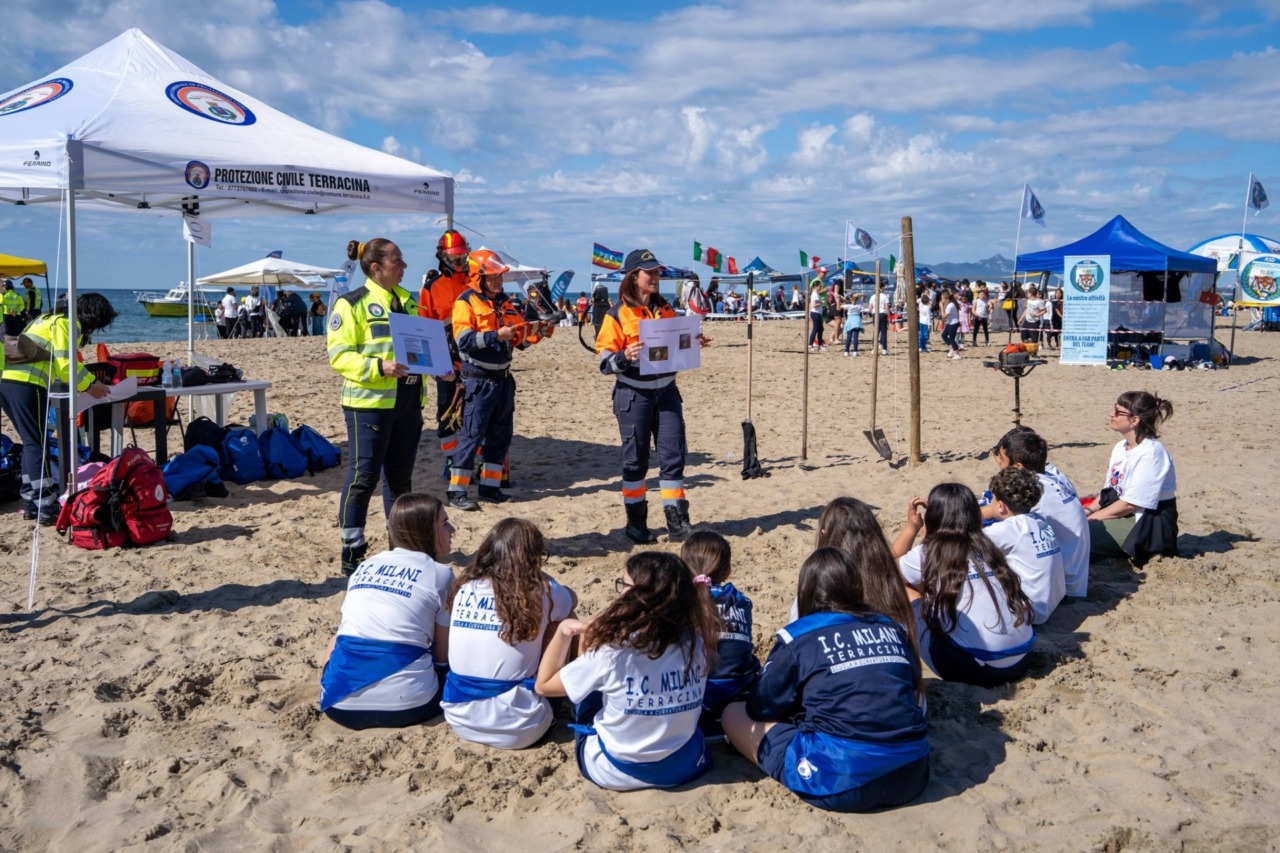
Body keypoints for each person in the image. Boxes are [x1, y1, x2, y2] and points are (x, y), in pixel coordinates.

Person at [721, 547, 930, 813]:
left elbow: (761, 707)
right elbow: (913, 691)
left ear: (806, 589)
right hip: (912, 772)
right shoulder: (891, 627)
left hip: (842, 779)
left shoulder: (799, 636)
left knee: (733, 714)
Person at [535, 551, 718, 792]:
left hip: (615, 771)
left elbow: (544, 685)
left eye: (624, 584)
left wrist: (562, 632)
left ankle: (583, 681)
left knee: (589, 688)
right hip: (685, 765)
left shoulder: (613, 652)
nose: (620, 591)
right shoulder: (696, 641)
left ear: (639, 595)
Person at [595, 249, 710, 543]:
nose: (656, 277)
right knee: (636, 462)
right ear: (634, 277)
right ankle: (636, 523)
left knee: (673, 457)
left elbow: (676, 343)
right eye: (651, 273)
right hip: (633, 396)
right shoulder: (617, 314)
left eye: (658, 272)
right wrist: (624, 356)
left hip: (668, 393)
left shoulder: (666, 309)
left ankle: (677, 522)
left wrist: (693, 342)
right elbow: (604, 363)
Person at [328, 238, 425, 574]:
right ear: (375, 267)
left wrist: (438, 361)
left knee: (400, 480)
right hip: (369, 403)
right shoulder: (351, 303)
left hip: (409, 401)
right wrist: (378, 367)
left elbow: (421, 346)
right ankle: (352, 553)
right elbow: (339, 356)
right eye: (397, 260)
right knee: (362, 477)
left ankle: (400, 548)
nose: (404, 266)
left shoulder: (409, 301)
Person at [319, 494, 455, 730]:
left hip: (339, 706)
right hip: (410, 705)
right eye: (444, 524)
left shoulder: (365, 565)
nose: (452, 529)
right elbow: (442, 654)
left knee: (340, 635)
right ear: (424, 532)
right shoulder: (440, 574)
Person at [442, 518, 578, 749]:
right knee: (566, 621)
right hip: (521, 726)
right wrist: (546, 580)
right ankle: (572, 698)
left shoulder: (465, 587)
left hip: (459, 718)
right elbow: (572, 598)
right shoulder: (541, 591)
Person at [891, 483, 1036, 687]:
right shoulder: (989, 545)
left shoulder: (930, 552)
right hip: (1023, 658)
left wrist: (913, 528)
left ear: (934, 517)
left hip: (975, 669)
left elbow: (884, 572)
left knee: (899, 588)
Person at [447, 249, 553, 511]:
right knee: (472, 434)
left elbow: (519, 342)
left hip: (503, 379)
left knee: (501, 435)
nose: (498, 281)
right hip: (478, 380)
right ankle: (456, 491)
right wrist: (497, 336)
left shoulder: (505, 302)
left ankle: (489, 488)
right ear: (478, 276)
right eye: (493, 277)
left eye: (500, 276)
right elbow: (464, 341)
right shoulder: (466, 301)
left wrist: (538, 332)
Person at [0, 292, 117, 523]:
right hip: (28, 383)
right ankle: (46, 505)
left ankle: (31, 502)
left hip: (7, 382)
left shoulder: (44, 318)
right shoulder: (67, 323)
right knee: (37, 443)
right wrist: (90, 384)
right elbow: (66, 364)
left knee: (30, 441)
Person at [990, 427, 1091, 598]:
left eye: (1001, 458)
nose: (998, 463)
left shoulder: (1035, 492)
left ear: (1019, 467)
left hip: (1062, 588)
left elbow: (990, 512)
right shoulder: (1054, 475)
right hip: (1073, 579)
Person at [679, 531, 760, 734]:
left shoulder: (680, 602)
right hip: (739, 694)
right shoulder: (741, 601)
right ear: (727, 571)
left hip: (697, 698)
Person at [1084, 391, 1178, 566]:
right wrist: (1088, 511)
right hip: (1124, 512)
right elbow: (1110, 491)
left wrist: (1089, 519)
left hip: (1144, 523)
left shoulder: (1152, 453)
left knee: (1076, 537)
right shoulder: (1121, 447)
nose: (1111, 414)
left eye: (1118, 412)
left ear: (1134, 420)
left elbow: (1130, 504)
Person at [418, 229, 473, 484]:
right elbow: (424, 328)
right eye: (454, 257)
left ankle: (473, 460)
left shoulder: (476, 281)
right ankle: (451, 459)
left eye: (462, 256)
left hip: (476, 358)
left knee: (476, 414)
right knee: (447, 413)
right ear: (442, 257)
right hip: (447, 362)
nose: (459, 262)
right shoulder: (432, 288)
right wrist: (436, 364)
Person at [984, 467, 1065, 624]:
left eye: (993, 499)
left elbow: (965, 546)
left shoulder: (1009, 528)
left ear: (1001, 506)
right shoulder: (1040, 521)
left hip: (1031, 613)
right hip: (1052, 604)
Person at [940, 291, 962, 360]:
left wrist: (941, 307)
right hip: (950, 322)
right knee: (944, 335)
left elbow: (944, 316)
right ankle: (952, 349)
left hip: (953, 323)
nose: (941, 300)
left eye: (942, 299)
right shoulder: (949, 304)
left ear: (945, 298)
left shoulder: (950, 305)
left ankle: (957, 354)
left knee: (952, 338)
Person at [807, 279, 827, 351]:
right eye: (820, 286)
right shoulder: (814, 294)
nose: (820, 287)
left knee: (820, 329)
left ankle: (820, 345)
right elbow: (814, 305)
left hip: (818, 313)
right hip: (815, 313)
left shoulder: (816, 294)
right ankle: (810, 345)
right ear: (816, 286)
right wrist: (821, 303)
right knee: (815, 329)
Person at [871, 286, 891, 355]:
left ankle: (874, 349)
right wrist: (889, 315)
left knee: (876, 331)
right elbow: (886, 307)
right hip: (882, 313)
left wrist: (872, 313)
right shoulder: (884, 296)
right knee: (883, 332)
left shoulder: (873, 296)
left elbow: (870, 308)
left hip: (875, 314)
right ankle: (884, 349)